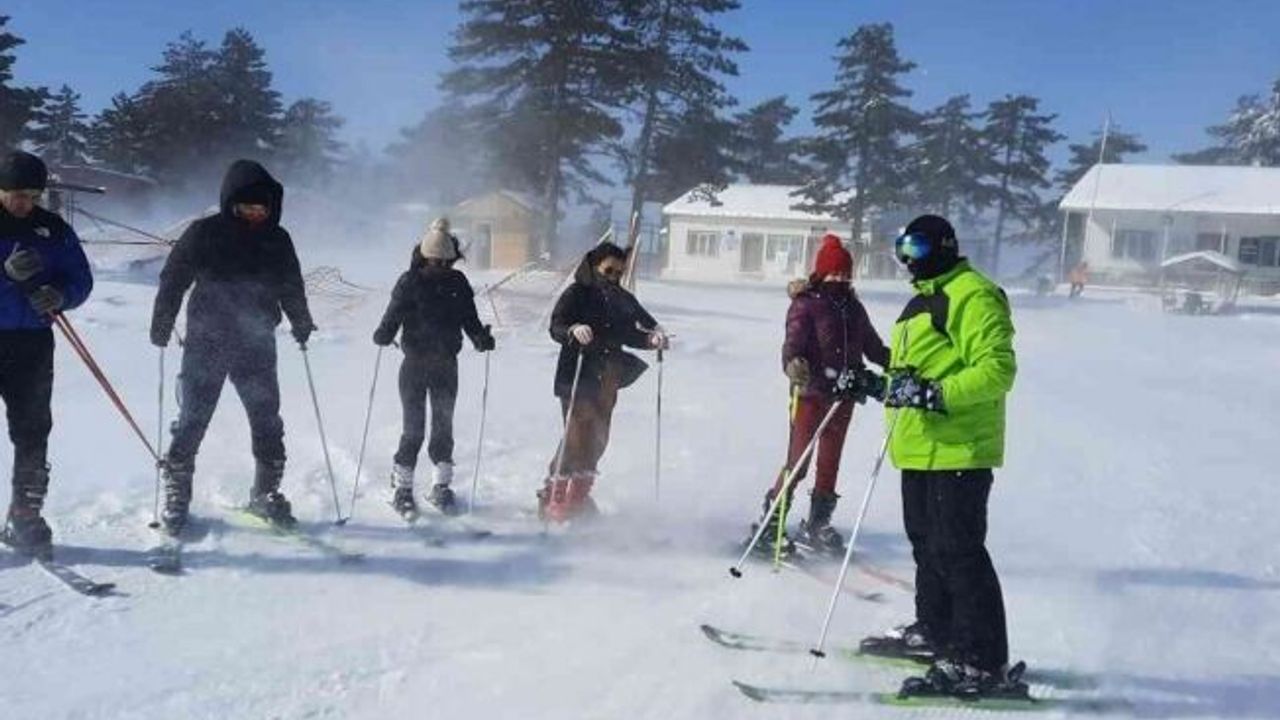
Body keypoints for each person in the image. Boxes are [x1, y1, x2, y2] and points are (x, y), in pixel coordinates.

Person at [856, 215, 1022, 699]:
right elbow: (912, 377)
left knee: (960, 552)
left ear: (945, 245)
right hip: (919, 448)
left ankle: (982, 660)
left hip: (959, 448)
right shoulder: (919, 303)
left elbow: (997, 370)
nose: (908, 255)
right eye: (902, 244)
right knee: (927, 547)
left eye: (918, 244)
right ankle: (936, 631)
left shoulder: (972, 293)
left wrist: (935, 394)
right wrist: (876, 384)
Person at [150, 159, 315, 535]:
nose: (256, 214)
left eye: (263, 208)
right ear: (231, 203)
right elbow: (174, 277)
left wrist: (301, 319)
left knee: (267, 419)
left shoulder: (278, 238)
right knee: (193, 418)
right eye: (248, 207)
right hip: (207, 340)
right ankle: (177, 494)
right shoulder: (204, 232)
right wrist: (163, 318)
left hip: (256, 342)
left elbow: (291, 283)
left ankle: (266, 493)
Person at [747, 233, 888, 557]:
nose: (839, 278)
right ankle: (772, 522)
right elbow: (793, 343)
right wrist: (793, 364)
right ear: (821, 272)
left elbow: (874, 347)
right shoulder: (806, 304)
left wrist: (899, 363)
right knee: (799, 460)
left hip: (844, 394)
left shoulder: (854, 307)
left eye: (845, 273)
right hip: (811, 392)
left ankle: (817, 522)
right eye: (834, 272)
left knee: (830, 461)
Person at [0, 151, 94, 557]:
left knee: (33, 429)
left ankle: (25, 515)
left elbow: (81, 278)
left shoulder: (53, 228)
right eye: (16, 194)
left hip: (33, 344)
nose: (25, 202)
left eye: (33, 195)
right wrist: (5, 275)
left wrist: (61, 294)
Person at [373, 217, 494, 520]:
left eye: (444, 262)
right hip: (414, 365)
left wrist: (481, 338)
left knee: (443, 427)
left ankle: (441, 485)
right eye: (433, 261)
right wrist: (384, 333)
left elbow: (469, 318)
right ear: (423, 257)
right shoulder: (410, 281)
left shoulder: (458, 283)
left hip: (446, 366)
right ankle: (402, 487)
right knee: (413, 429)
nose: (439, 267)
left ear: (452, 260)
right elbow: (393, 314)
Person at [542, 242, 666, 522]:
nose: (612, 278)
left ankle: (579, 497)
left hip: (608, 374)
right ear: (594, 266)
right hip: (578, 371)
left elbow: (630, 331)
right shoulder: (577, 293)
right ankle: (554, 495)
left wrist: (650, 339)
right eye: (608, 270)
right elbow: (556, 326)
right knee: (576, 435)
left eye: (618, 273)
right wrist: (573, 329)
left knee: (598, 438)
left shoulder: (621, 298)